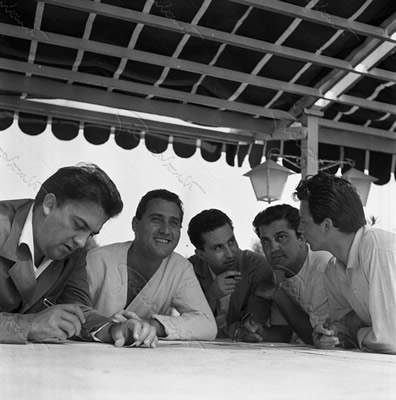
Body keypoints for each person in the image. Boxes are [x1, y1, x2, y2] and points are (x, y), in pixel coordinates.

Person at [0, 163, 157, 347]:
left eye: (91, 233)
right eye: (78, 225)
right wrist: (30, 325)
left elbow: (78, 311)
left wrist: (114, 330)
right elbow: (34, 324)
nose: (82, 242)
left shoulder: (74, 250)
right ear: (49, 204)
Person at [86, 189, 217, 341]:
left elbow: (206, 325)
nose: (165, 230)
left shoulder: (179, 268)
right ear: (135, 224)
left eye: (174, 223)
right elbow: (71, 314)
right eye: (156, 220)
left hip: (145, 361)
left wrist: (148, 326)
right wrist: (113, 329)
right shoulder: (98, 260)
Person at [294, 172, 396, 354]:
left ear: (326, 225)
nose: (300, 230)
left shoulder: (377, 248)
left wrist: (358, 330)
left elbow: (390, 340)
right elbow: (343, 327)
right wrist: (328, 336)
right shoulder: (334, 269)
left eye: (303, 222)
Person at [251, 204, 332, 345]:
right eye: (265, 241)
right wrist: (257, 332)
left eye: (281, 237)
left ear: (301, 237)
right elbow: (283, 332)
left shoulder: (323, 265)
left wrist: (279, 296)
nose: (273, 248)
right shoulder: (278, 270)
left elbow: (319, 337)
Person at [187, 209, 273, 340]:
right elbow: (190, 325)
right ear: (201, 254)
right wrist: (211, 297)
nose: (230, 253)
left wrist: (208, 332)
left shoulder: (258, 267)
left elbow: (252, 327)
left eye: (231, 242)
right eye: (218, 248)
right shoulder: (189, 270)